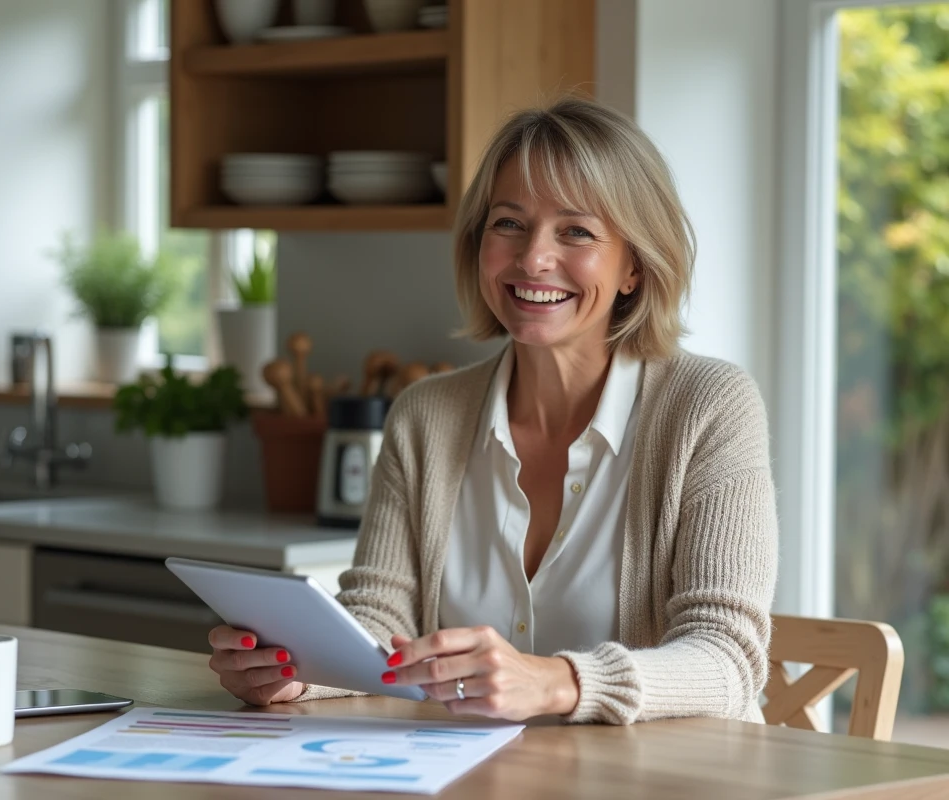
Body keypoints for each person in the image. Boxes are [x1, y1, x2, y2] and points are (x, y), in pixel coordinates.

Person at [207, 96, 779, 725]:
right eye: (509, 223)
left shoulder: (710, 407)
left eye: (576, 231)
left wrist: (556, 682)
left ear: (634, 268)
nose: (533, 258)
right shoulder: (424, 416)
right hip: (481, 770)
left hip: (672, 774)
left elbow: (727, 658)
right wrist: (297, 673)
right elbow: (381, 623)